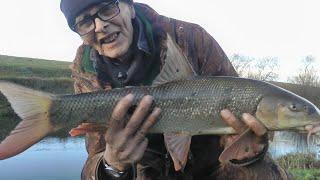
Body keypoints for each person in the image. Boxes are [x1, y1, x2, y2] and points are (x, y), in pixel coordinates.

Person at [60, 0, 291, 179]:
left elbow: (242, 110)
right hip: (146, 172)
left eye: (108, 8)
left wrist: (246, 151)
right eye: (84, 22)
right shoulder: (87, 73)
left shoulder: (190, 38)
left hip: (214, 165)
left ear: (129, 7)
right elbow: (95, 157)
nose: (100, 25)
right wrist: (113, 164)